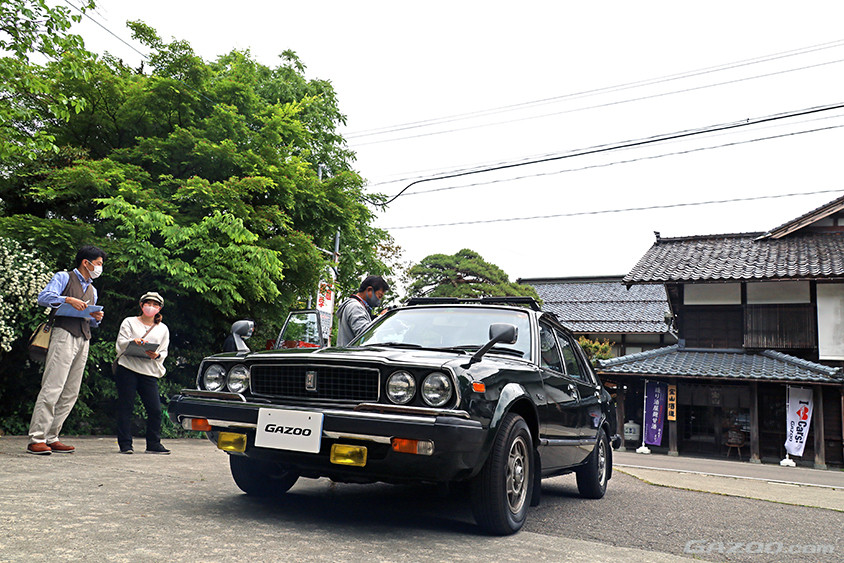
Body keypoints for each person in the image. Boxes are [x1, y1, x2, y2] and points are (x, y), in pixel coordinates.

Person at [27, 245, 106, 455]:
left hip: (83, 338)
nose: (100, 268)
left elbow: (88, 319)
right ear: (85, 262)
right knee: (53, 386)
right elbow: (43, 297)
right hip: (63, 334)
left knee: (71, 391)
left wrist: (95, 318)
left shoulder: (93, 289)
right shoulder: (64, 277)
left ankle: (52, 436)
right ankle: (37, 438)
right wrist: (67, 299)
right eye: (98, 264)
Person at [114, 292, 171, 454]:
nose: (151, 307)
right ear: (141, 305)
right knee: (126, 406)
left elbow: (163, 351)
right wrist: (133, 343)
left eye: (155, 305)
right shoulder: (129, 322)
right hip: (128, 368)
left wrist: (156, 355)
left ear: (159, 308)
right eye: (148, 303)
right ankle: (125, 444)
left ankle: (153, 443)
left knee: (155, 409)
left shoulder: (163, 329)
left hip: (149, 371)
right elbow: (120, 343)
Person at [335, 275, 389, 346]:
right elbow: (365, 335)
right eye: (379, 296)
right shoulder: (355, 307)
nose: (379, 300)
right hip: (352, 355)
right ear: (369, 290)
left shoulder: (360, 307)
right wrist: (382, 318)